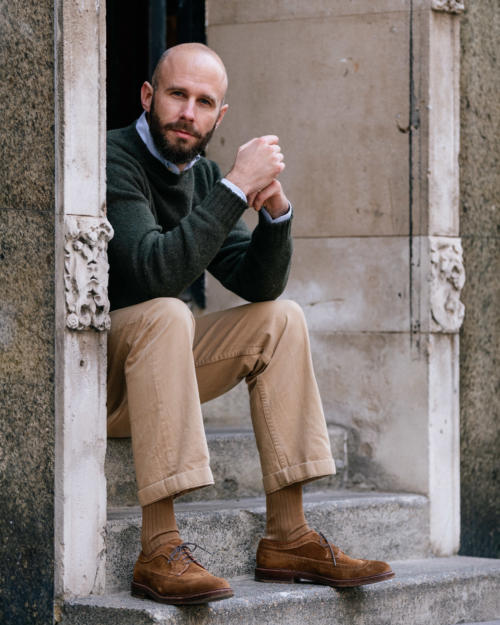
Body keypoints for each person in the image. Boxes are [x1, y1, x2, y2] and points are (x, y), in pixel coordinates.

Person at [106, 42, 394, 606]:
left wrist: (274, 216)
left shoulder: (203, 174)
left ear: (220, 115)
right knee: (170, 311)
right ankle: (159, 547)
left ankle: (288, 536)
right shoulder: (113, 157)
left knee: (280, 320)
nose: (189, 112)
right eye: (176, 95)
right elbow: (152, 270)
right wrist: (233, 190)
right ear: (148, 97)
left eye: (204, 101)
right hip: (99, 381)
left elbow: (258, 284)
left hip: (159, 371)